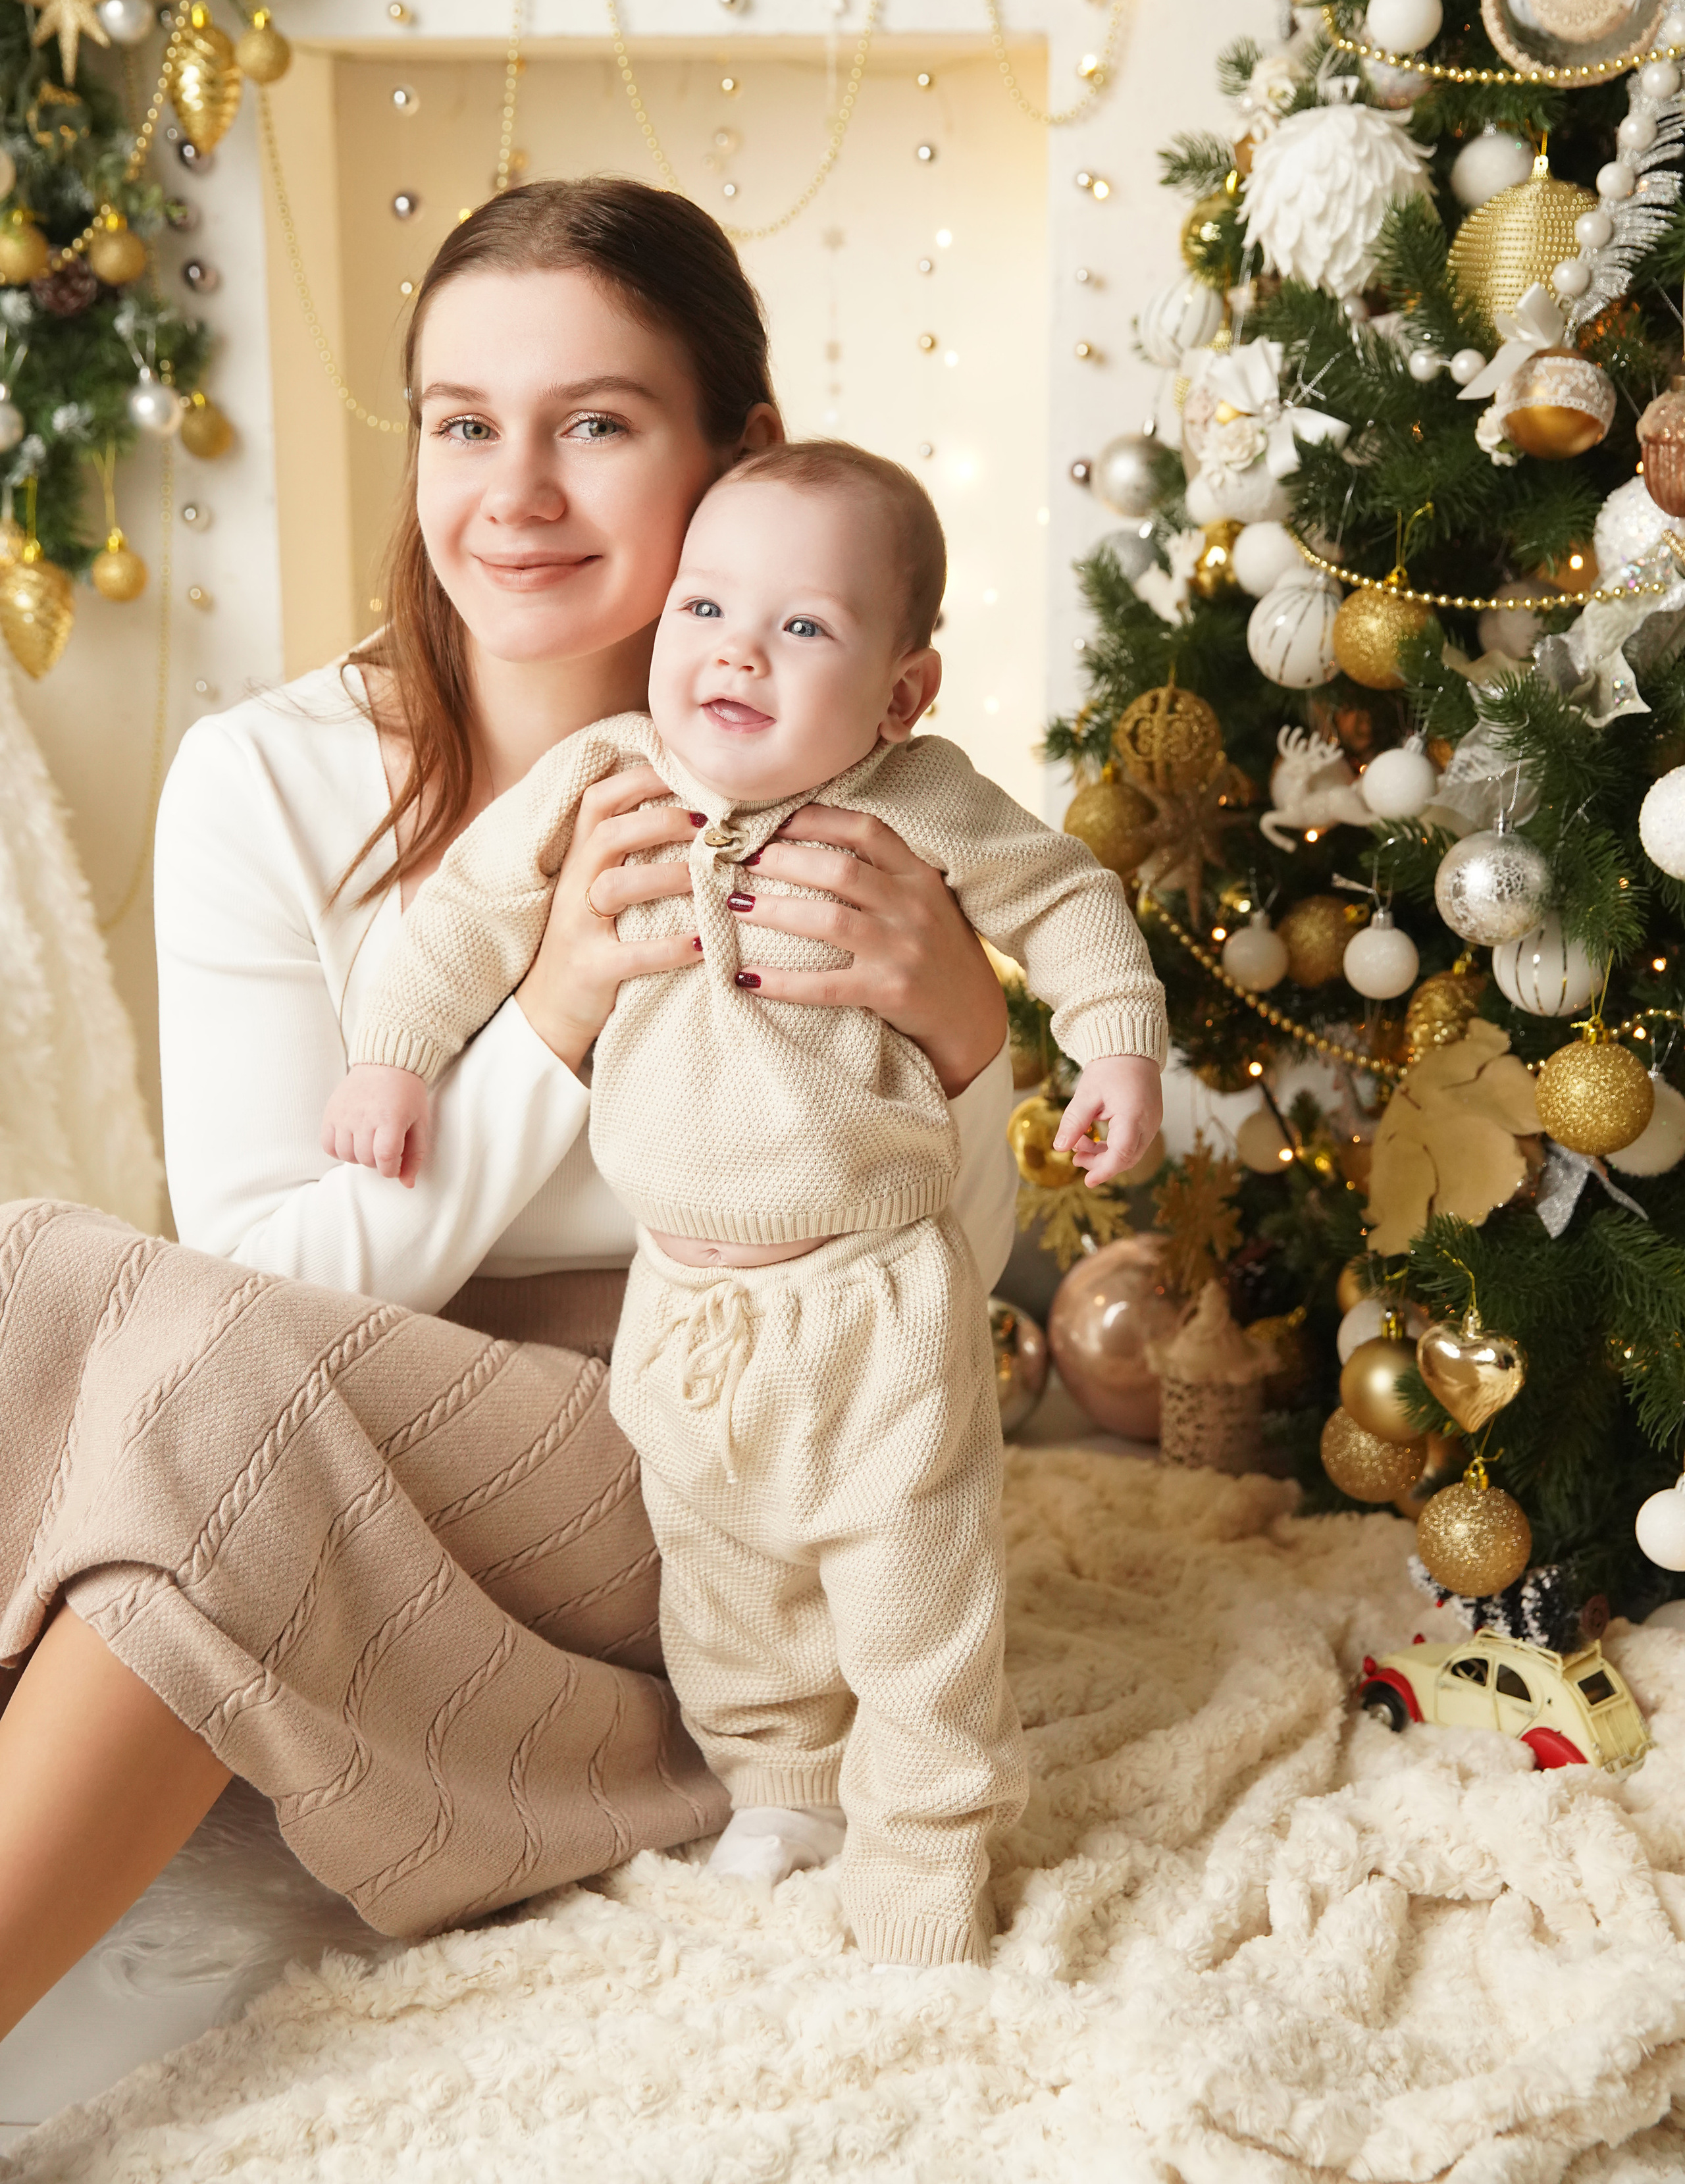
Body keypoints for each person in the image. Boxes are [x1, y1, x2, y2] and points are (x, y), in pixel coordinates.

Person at [0, 182, 1020, 2042]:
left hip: (709, 1461)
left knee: (205, 1417)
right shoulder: (267, 780)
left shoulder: (845, 797)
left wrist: (965, 1042)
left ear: (744, 456)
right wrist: (551, 997)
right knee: (40, 1289)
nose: (515, 495)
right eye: (465, 426)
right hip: (338, 1422)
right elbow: (267, 1279)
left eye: (599, 426)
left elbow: (935, 1299)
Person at [323, 438, 1168, 1968]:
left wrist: (1114, 1041)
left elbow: (1068, 897)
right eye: (705, 607)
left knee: (916, 1602)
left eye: (802, 628)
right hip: (686, 1302)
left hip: (870, 1302)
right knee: (724, 1585)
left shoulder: (920, 802)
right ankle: (780, 1790)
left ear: (900, 692)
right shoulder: (603, 781)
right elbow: (459, 917)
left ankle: (921, 1851)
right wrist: (393, 1059)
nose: (735, 653)